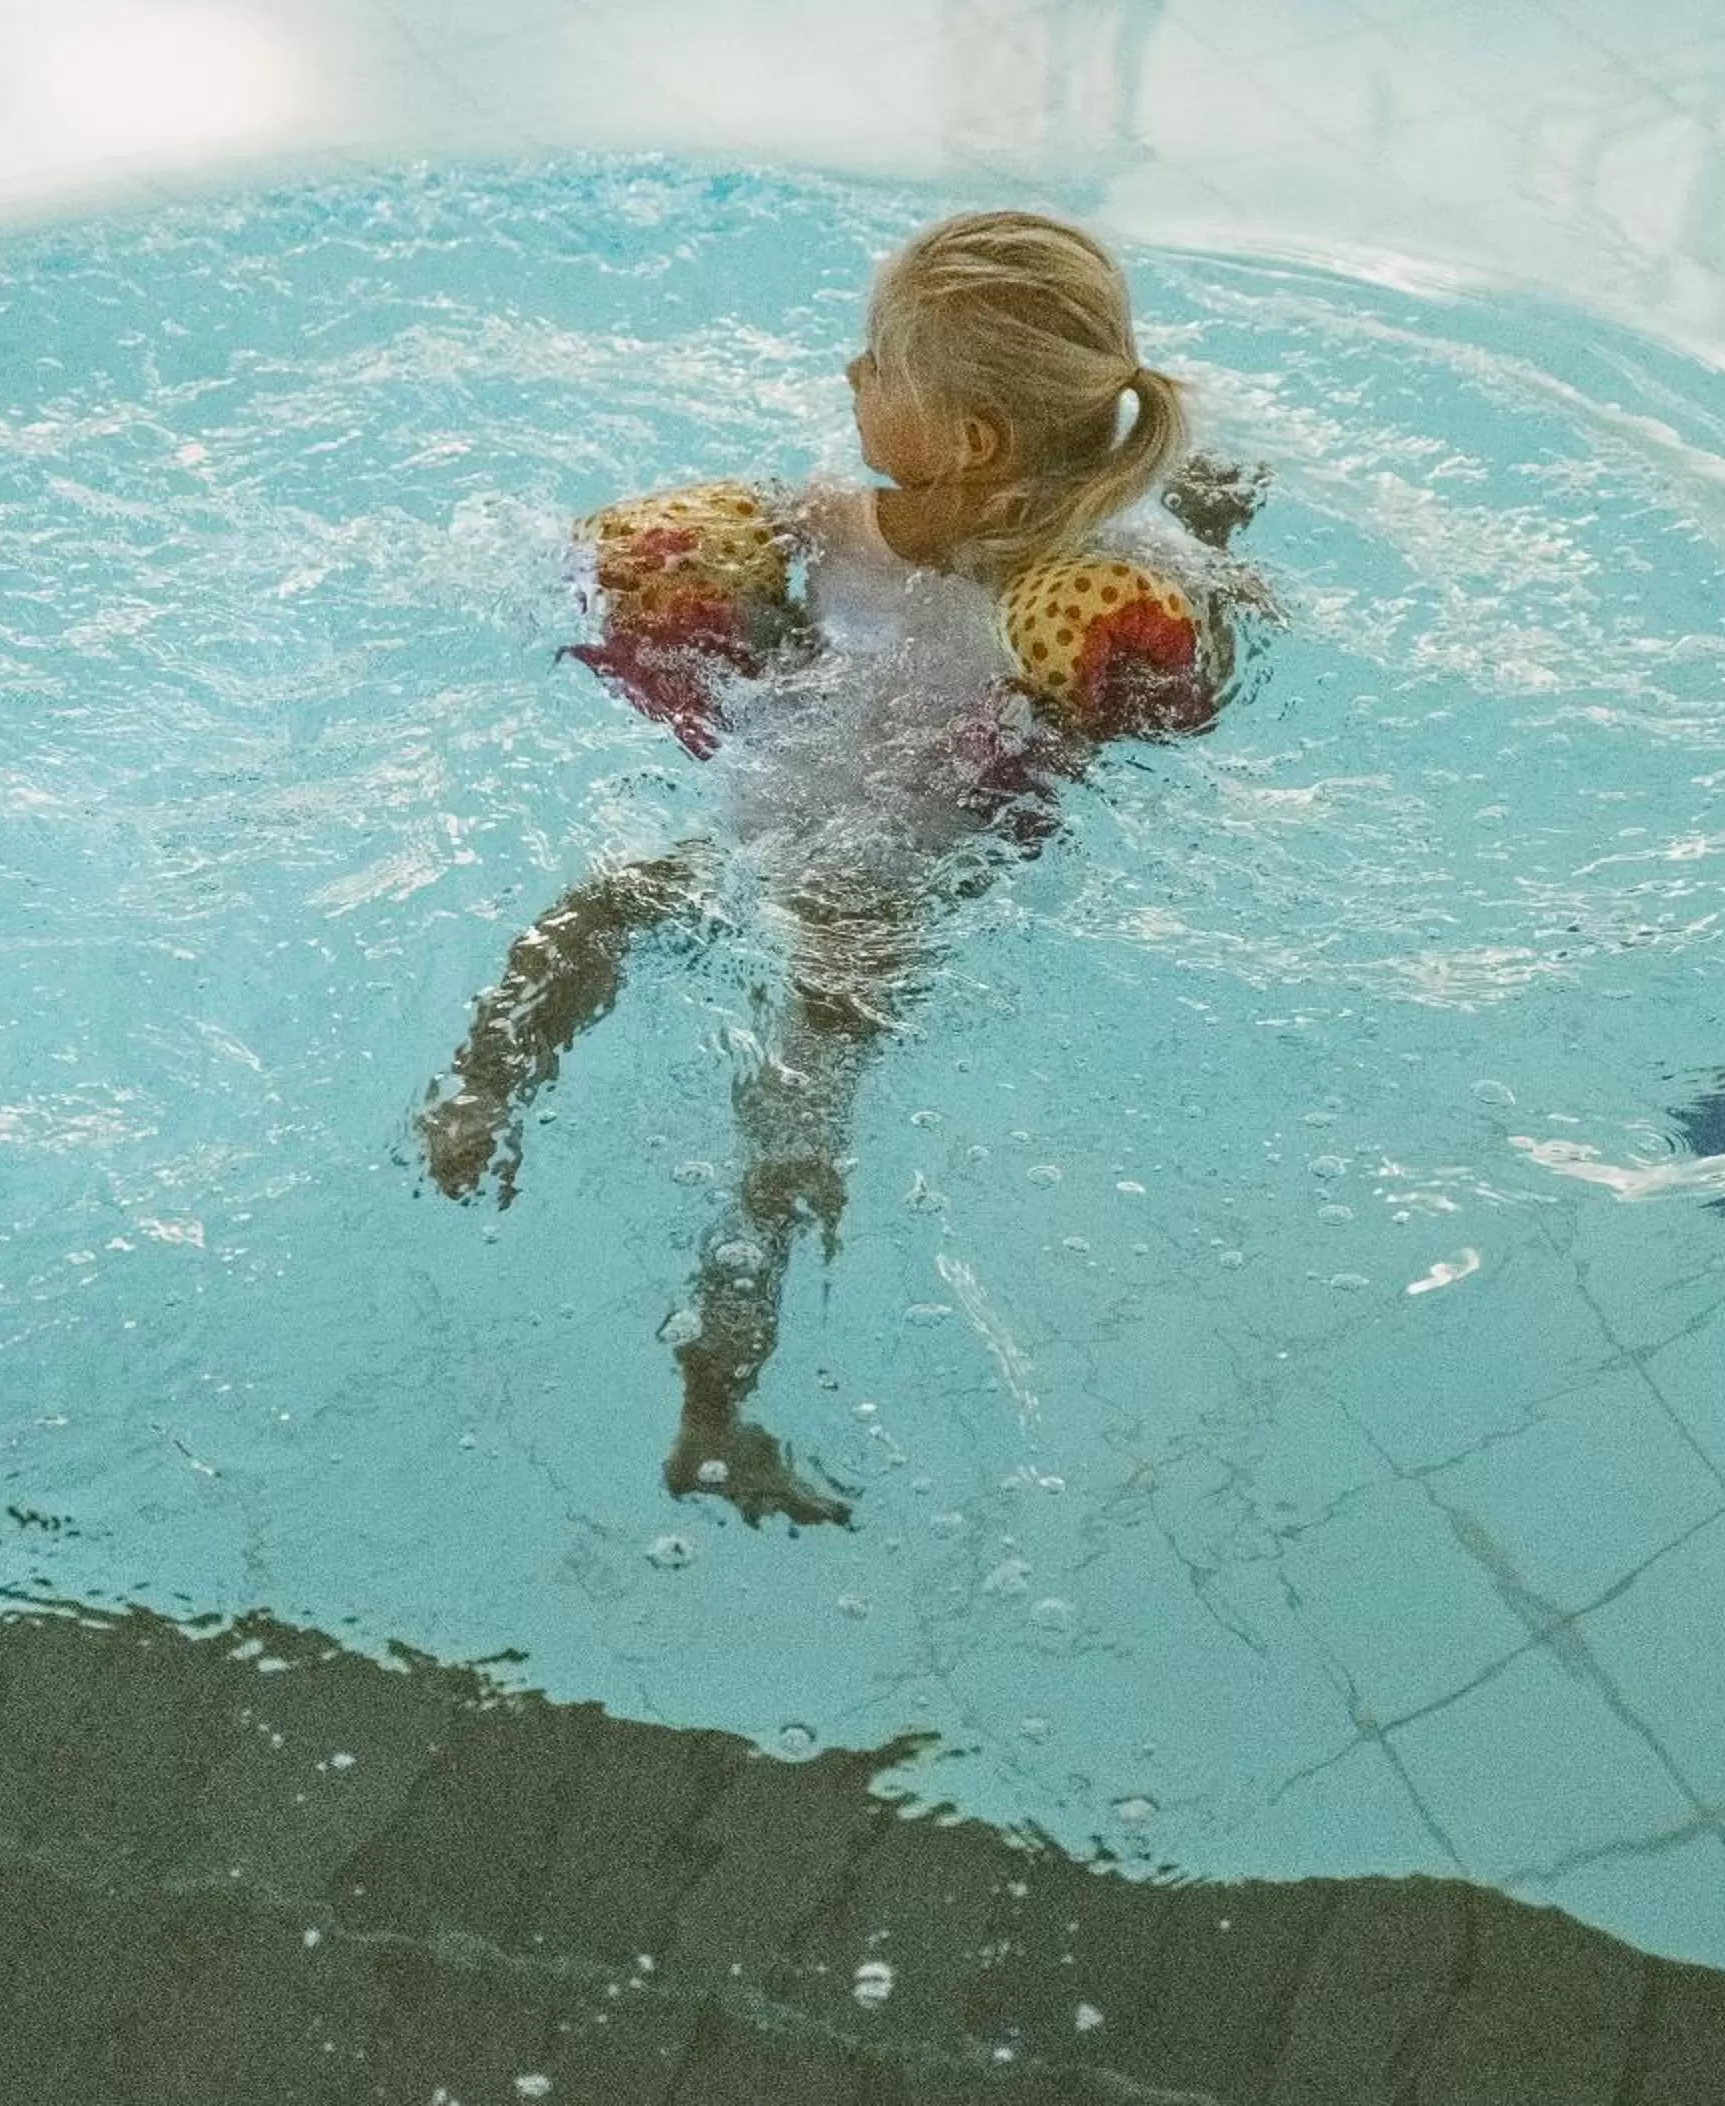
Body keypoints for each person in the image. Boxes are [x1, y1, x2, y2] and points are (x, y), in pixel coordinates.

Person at [414, 210, 1264, 1529]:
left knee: (779, 1154)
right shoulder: (820, 528)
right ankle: (478, 1097)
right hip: (781, 833)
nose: (849, 377)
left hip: (884, 900)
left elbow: (1190, 650)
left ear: (967, 438)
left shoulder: (1098, 583)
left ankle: (711, 1413)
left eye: (877, 362)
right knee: (616, 925)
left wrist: (1214, 558)